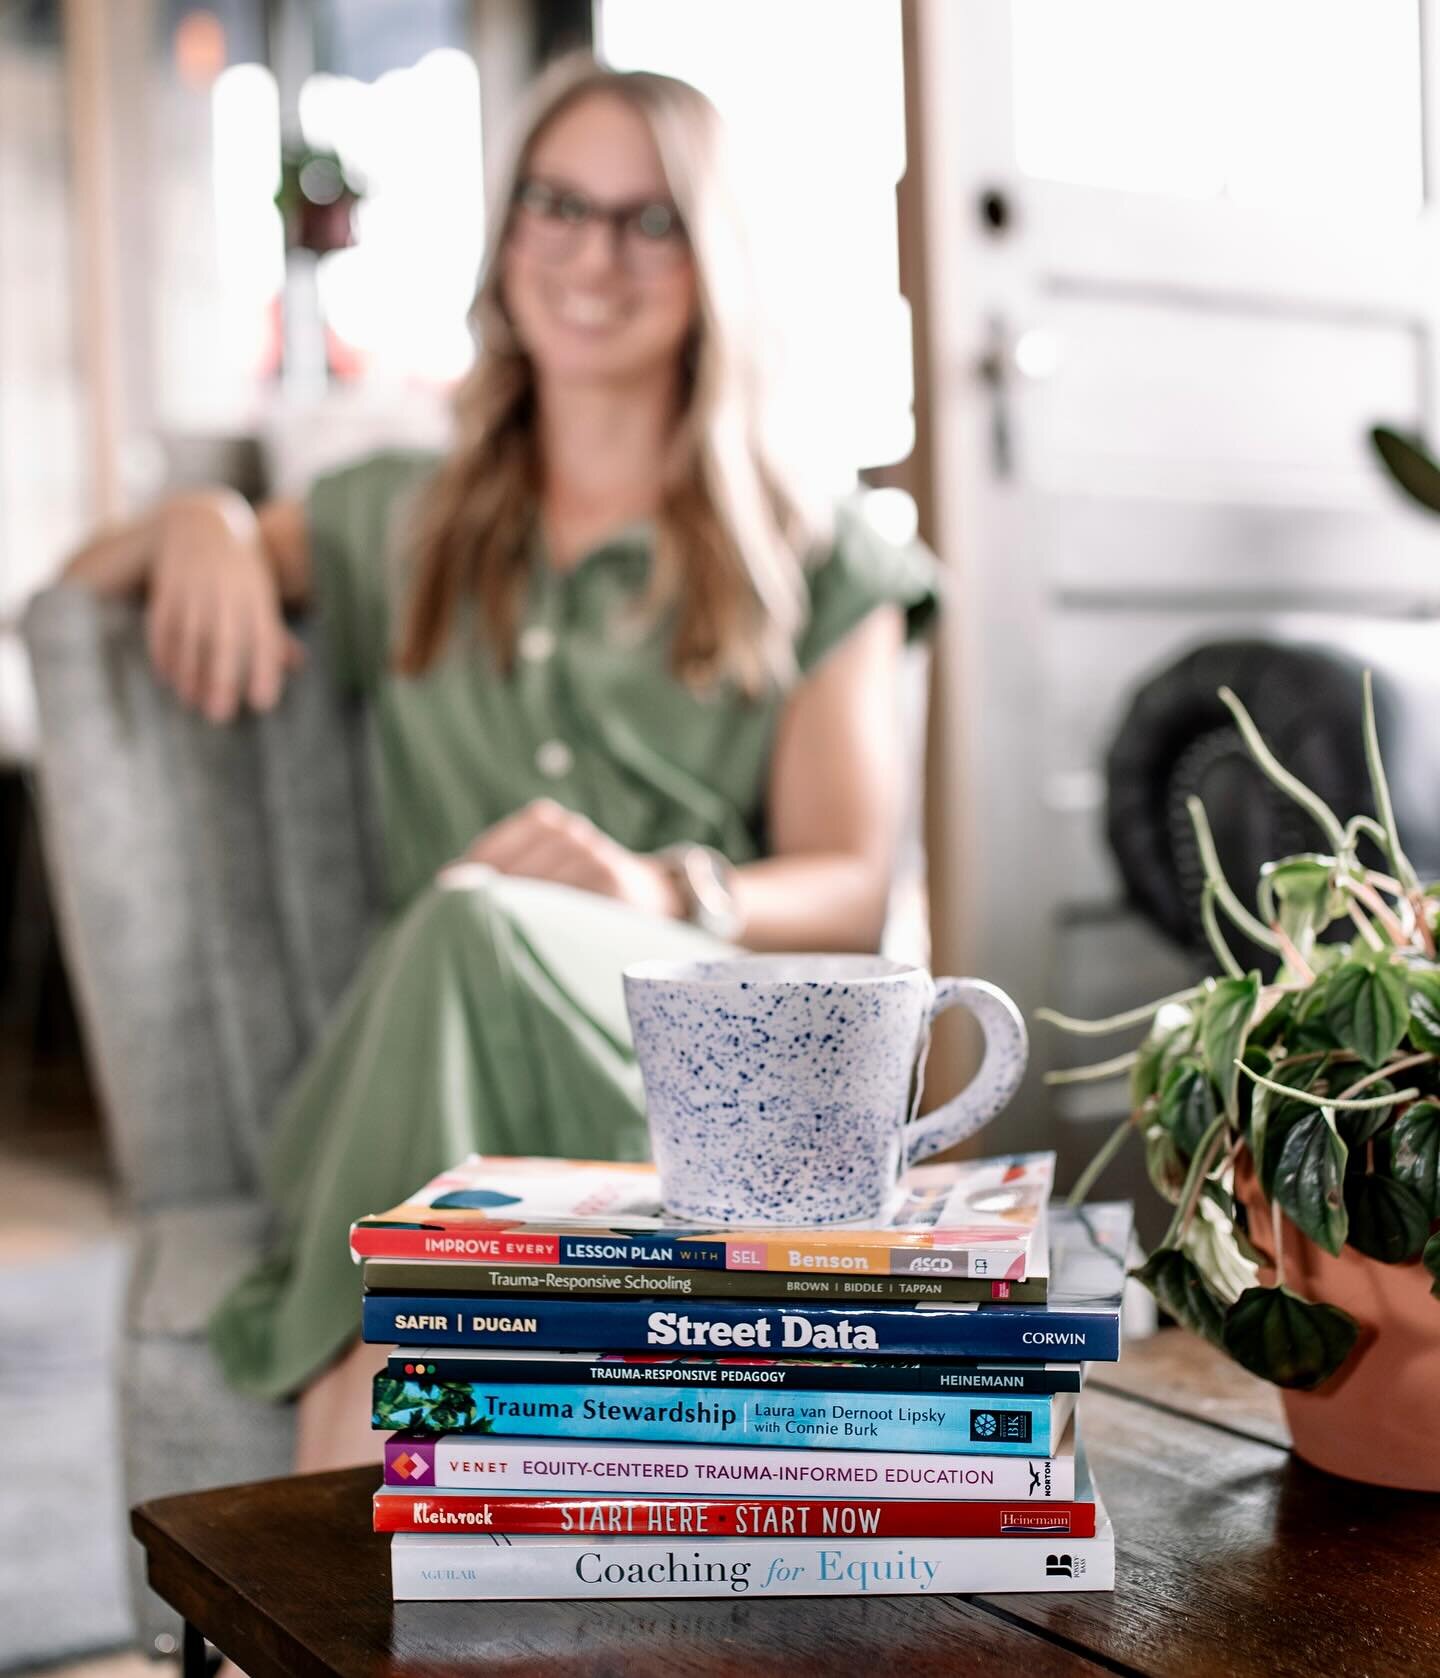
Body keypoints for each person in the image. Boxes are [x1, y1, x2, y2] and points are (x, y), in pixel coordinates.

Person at [65, 58, 937, 1472]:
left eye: (647, 220)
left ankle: (338, 1423)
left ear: (710, 258)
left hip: (667, 1080)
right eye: (556, 206)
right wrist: (205, 521)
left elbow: (849, 886)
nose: (593, 255)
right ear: (509, 232)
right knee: (462, 932)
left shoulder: (814, 546)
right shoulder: (397, 517)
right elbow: (70, 593)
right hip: (424, 1077)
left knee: (472, 921)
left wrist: (659, 884)